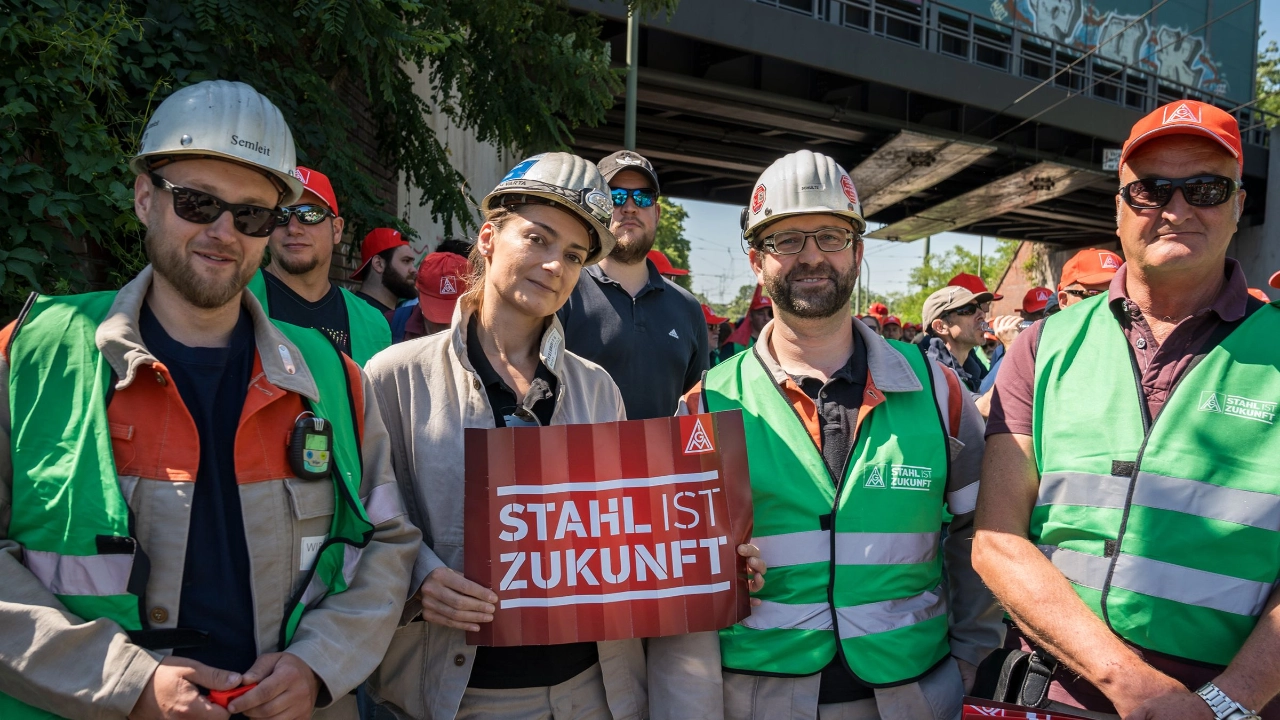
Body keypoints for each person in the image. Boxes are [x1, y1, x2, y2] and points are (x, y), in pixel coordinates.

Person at [0, 80, 419, 720]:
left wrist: (317, 665)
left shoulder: (331, 376)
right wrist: (126, 683)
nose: (224, 230)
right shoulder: (33, 354)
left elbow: (386, 542)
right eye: (197, 203)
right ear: (145, 199)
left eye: (253, 214)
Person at [363, 152, 764, 719]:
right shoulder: (394, 376)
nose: (554, 265)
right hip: (455, 695)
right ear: (488, 237)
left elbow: (625, 534)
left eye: (573, 255)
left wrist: (709, 557)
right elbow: (367, 519)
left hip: (590, 692)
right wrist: (418, 579)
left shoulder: (598, 389)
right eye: (537, 238)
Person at [975, 99, 1280, 719]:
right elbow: (997, 540)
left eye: (1205, 188)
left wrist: (1225, 703)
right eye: (1150, 191)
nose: (1176, 209)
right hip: (1055, 690)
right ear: (1118, 208)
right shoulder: (1046, 345)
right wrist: (1133, 686)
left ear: (1239, 206)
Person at [681, 149, 1001, 720]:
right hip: (757, 695)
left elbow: (981, 534)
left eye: (830, 236)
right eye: (786, 241)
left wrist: (973, 660)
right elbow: (677, 563)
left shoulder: (938, 391)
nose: (811, 257)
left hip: (913, 692)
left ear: (857, 252)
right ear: (757, 260)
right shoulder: (707, 403)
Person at [557, 150, 709, 420]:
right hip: (581, 461)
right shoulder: (562, 289)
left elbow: (697, 414)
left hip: (665, 462)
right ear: (595, 208)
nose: (629, 206)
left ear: (657, 213)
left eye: (643, 197)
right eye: (615, 196)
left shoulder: (687, 308)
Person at [247, 165, 392, 365]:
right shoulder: (234, 297)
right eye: (280, 215)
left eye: (310, 214)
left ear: (337, 229)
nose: (294, 228)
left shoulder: (372, 323)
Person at [388, 239, 473, 343]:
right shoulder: (391, 324)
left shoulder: (485, 332)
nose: (445, 328)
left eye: (454, 316)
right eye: (436, 316)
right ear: (419, 297)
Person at [977, 287, 1052, 394]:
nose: (1045, 319)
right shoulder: (1002, 349)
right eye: (1038, 314)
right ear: (1024, 316)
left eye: (1051, 313)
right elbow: (986, 392)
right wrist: (1012, 348)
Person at [920, 285, 993, 393]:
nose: (982, 314)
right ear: (940, 327)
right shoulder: (932, 372)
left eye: (979, 307)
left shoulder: (972, 369)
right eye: (968, 309)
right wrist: (1011, 346)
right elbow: (980, 409)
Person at [354, 227, 418, 316]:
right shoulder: (353, 314)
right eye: (406, 261)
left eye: (412, 262)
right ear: (378, 264)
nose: (414, 270)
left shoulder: (398, 318)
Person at [1056, 248, 1123, 310]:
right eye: (1093, 295)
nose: (1109, 304)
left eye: (1118, 296)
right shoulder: (1050, 323)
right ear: (1064, 301)